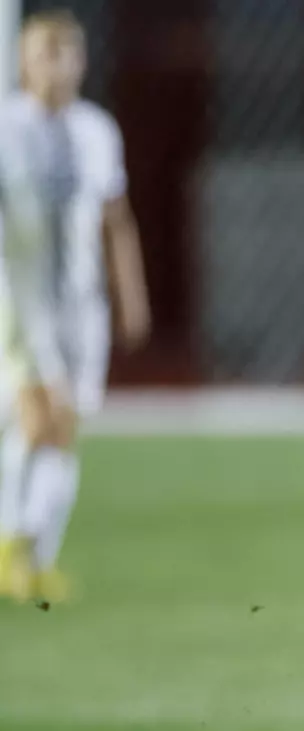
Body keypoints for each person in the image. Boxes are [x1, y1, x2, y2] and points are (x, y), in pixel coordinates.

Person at [0, 9, 150, 604]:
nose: (56, 67)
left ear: (82, 62)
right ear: (23, 61)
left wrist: (130, 291)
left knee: (61, 429)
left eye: (66, 54)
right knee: (42, 414)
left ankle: (34, 555)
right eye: (44, 54)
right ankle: (14, 545)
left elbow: (115, 218)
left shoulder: (97, 131)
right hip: (20, 296)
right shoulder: (7, 127)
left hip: (80, 304)